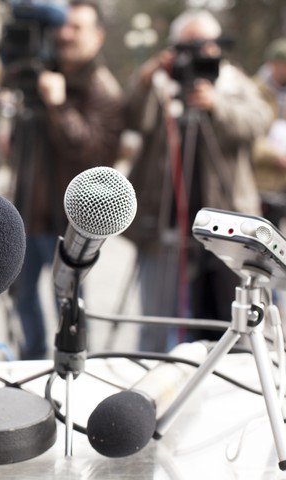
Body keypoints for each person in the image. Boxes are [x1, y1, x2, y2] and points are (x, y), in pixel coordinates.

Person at [123, 9, 272, 352]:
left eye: (207, 45)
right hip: (166, 225)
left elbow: (257, 122)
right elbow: (132, 119)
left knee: (235, 321)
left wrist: (217, 106)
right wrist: (148, 80)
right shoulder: (160, 83)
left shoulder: (234, 82)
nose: (199, 54)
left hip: (229, 223)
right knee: (158, 325)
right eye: (189, 46)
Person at [10, 0, 124, 360]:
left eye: (77, 28)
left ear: (99, 36)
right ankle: (31, 360)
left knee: (69, 302)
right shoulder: (42, 74)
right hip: (28, 212)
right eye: (64, 26)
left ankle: (71, 366)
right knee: (21, 295)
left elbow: (93, 155)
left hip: (69, 219)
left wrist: (58, 105)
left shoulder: (103, 89)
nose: (66, 34)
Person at [253, 37, 286, 227]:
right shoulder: (253, 90)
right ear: (273, 64)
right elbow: (250, 137)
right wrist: (275, 156)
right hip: (262, 184)